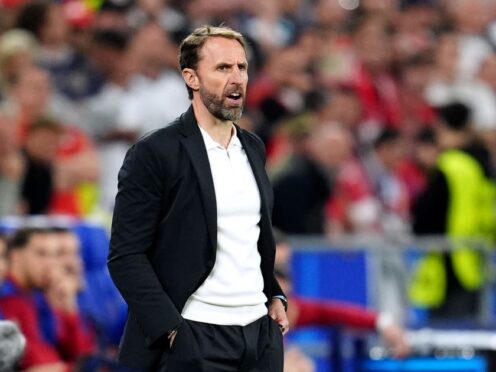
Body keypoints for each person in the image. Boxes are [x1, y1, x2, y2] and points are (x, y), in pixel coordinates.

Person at [108, 25, 289, 372]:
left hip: (260, 338)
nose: (237, 78)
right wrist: (171, 330)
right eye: (223, 68)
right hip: (195, 336)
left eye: (242, 67)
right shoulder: (155, 152)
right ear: (191, 78)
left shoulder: (253, 147)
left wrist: (273, 292)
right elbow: (125, 255)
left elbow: (247, 236)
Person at [0, 227, 94, 370]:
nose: (51, 263)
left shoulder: (40, 295)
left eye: (54, 255)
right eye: (41, 254)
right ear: (15, 256)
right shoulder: (10, 299)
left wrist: (69, 307)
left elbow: (82, 353)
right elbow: (34, 360)